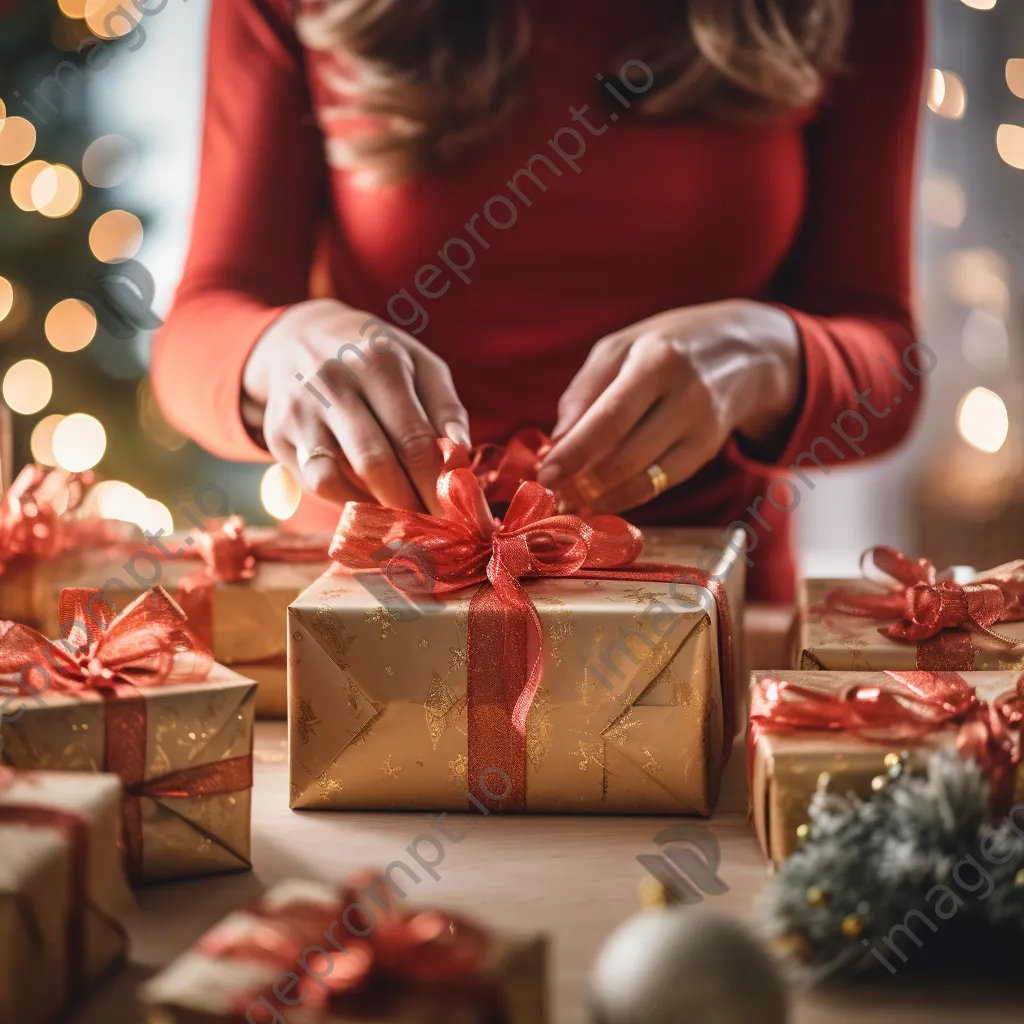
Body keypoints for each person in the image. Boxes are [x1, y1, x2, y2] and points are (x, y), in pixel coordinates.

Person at [152, 0, 926, 603]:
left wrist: (772, 357)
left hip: (700, 616)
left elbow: (892, 361)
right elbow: (202, 322)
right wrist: (280, 346)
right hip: (374, 610)